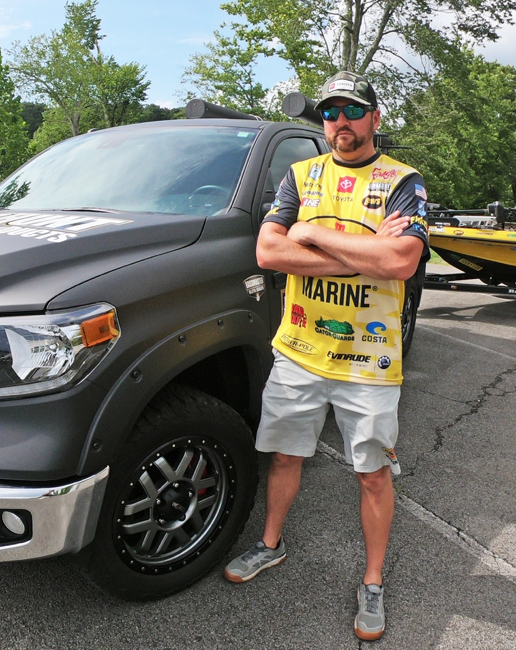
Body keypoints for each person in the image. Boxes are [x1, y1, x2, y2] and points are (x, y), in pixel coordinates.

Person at [223, 71, 429, 642]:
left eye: (353, 111)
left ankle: (372, 582)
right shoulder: (300, 174)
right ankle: (270, 545)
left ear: (375, 119)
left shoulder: (402, 181)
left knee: (371, 476)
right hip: (299, 352)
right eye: (331, 112)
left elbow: (401, 263)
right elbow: (268, 250)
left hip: (369, 362)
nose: (340, 122)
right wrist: (364, 251)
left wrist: (310, 232)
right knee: (286, 458)